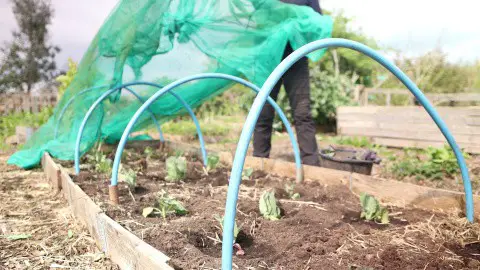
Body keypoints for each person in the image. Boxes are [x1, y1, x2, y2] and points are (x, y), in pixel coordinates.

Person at [253, 0, 322, 166]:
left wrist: (295, 23)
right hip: (268, 58)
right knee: (263, 111)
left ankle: (311, 165)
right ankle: (259, 163)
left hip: (296, 57)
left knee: (302, 113)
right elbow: (257, 17)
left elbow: (316, 21)